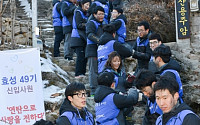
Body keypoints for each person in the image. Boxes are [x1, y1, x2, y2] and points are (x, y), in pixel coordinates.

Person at [86, 6, 105, 95]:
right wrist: (99, 41)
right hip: (92, 49)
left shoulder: (103, 23)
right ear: (94, 14)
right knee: (93, 70)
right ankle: (93, 90)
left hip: (101, 50)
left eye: (103, 14)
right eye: (99, 14)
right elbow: (90, 35)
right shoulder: (91, 23)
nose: (101, 16)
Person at [70, 0, 91, 78]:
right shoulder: (78, 12)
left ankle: (82, 73)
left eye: (89, 5)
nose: (88, 7)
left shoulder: (85, 13)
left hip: (83, 37)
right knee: (80, 56)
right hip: (78, 37)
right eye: (86, 4)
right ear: (82, 4)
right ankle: (78, 73)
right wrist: (88, 25)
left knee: (84, 56)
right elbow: (79, 25)